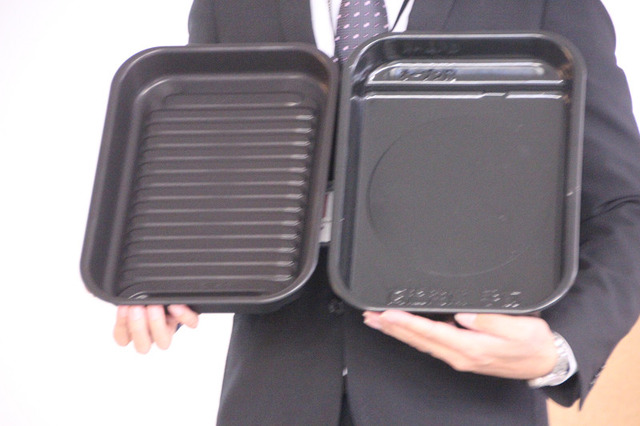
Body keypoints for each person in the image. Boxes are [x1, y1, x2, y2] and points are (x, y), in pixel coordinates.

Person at [113, 0, 640, 424]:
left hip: (463, 405)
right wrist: (163, 271)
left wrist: (559, 347)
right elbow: (211, 176)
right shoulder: (228, 8)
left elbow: (622, 207)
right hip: (272, 400)